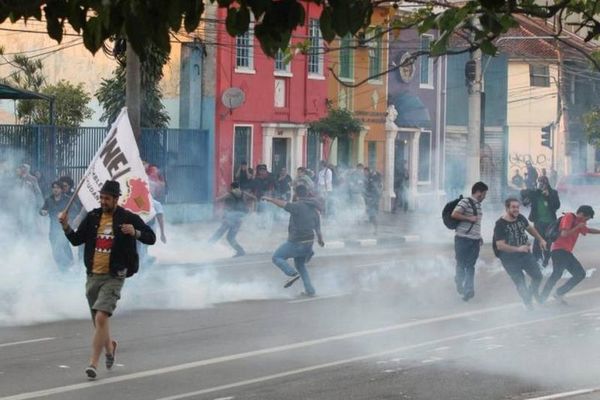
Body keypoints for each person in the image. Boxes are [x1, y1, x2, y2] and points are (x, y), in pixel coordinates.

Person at [59, 180, 156, 380]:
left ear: (116, 199)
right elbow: (77, 240)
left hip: (114, 276)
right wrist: (66, 226)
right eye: (101, 198)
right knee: (98, 321)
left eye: (107, 198)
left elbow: (150, 237)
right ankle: (110, 346)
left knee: (102, 317)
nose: (103, 201)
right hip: (93, 275)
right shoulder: (93, 216)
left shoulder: (127, 218)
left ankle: (93, 364)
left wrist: (135, 232)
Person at [263, 185, 324, 297]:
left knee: (277, 257)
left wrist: (270, 199)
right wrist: (320, 240)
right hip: (309, 242)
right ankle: (310, 290)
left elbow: (283, 204)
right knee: (300, 265)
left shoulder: (298, 206)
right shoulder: (314, 209)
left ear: (296, 194)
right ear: (307, 194)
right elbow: (318, 228)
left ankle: (292, 273)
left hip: (297, 242)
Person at [539, 205, 600, 304]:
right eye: (586, 218)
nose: (586, 222)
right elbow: (564, 234)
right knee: (557, 274)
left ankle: (558, 293)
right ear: (581, 214)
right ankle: (543, 298)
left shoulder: (580, 223)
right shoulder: (569, 217)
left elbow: (588, 230)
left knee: (579, 274)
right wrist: (577, 227)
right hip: (559, 250)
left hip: (566, 252)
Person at [493, 198, 546, 309]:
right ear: (507, 208)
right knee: (520, 283)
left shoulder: (520, 218)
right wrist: (518, 249)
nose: (516, 209)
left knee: (538, 276)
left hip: (525, 254)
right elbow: (500, 245)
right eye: (513, 207)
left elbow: (530, 228)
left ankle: (531, 294)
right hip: (509, 259)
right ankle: (528, 303)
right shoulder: (500, 224)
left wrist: (541, 239)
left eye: (517, 207)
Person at [450, 181, 488, 302]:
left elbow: (476, 223)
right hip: (462, 239)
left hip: (475, 241)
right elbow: (454, 214)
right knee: (461, 264)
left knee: (470, 266)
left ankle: (469, 290)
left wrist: (479, 235)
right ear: (478, 192)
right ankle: (459, 280)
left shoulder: (478, 205)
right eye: (484, 194)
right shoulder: (465, 202)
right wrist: (468, 218)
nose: (485, 197)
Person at [520, 176, 560, 266]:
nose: (542, 185)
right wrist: (534, 190)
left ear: (547, 184)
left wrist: (548, 196)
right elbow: (523, 194)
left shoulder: (553, 193)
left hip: (551, 222)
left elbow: (557, 206)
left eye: (543, 183)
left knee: (548, 242)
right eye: (540, 183)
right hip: (538, 221)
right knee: (538, 241)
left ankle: (546, 260)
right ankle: (537, 261)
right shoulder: (535, 193)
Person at [209, 182, 256, 257]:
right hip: (239, 219)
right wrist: (250, 208)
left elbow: (217, 200)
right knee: (230, 237)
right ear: (239, 187)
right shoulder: (243, 193)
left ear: (231, 187)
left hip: (231, 217)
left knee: (220, 232)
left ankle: (207, 246)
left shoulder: (229, 194)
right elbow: (254, 198)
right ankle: (240, 251)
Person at [40, 181, 74, 270]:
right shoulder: (49, 199)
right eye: (54, 187)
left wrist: (65, 215)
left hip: (64, 227)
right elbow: (42, 209)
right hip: (53, 227)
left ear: (61, 190)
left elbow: (74, 211)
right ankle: (61, 266)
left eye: (58, 188)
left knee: (64, 245)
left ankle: (70, 263)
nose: (55, 189)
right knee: (55, 248)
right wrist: (43, 212)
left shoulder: (67, 200)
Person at [364, 167, 383, 234]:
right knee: (371, 215)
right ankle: (374, 229)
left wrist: (371, 198)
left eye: (365, 172)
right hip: (371, 199)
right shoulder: (369, 178)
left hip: (373, 199)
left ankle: (376, 230)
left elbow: (375, 190)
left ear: (368, 171)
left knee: (373, 214)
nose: (364, 173)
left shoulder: (373, 179)